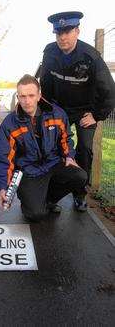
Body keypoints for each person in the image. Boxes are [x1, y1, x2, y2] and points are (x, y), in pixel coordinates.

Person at [39, 11, 115, 211]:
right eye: (58, 33)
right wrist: (47, 110)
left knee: (84, 150)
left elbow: (109, 90)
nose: (62, 37)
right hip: (58, 109)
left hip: (84, 112)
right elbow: (44, 85)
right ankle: (51, 192)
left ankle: (79, 193)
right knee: (50, 146)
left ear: (77, 31)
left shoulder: (90, 57)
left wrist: (97, 115)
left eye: (67, 31)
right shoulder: (49, 52)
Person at [0, 74, 87, 221]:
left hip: (53, 163)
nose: (27, 101)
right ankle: (31, 201)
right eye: (22, 96)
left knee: (80, 176)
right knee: (36, 214)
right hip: (28, 171)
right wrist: (3, 187)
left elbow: (66, 138)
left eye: (31, 95)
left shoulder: (57, 113)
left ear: (39, 95)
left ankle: (49, 200)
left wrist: (69, 156)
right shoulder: (9, 123)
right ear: (18, 97)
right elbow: (4, 158)